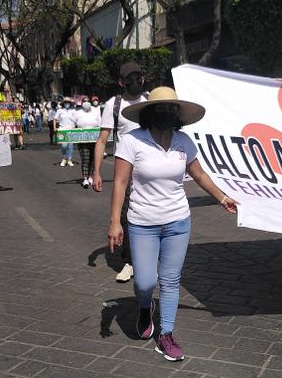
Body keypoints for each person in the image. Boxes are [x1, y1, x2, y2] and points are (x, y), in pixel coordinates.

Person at [108, 87, 238, 361]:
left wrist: (222, 197)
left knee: (170, 281)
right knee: (145, 282)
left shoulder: (184, 141)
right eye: (162, 108)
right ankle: (145, 308)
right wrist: (114, 223)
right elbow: (120, 183)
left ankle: (166, 334)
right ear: (150, 112)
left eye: (172, 109)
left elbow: (199, 174)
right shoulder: (132, 141)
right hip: (142, 223)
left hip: (178, 222)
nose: (167, 113)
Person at [93, 61, 150, 283]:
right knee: (127, 214)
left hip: (150, 168)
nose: (134, 82)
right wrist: (96, 172)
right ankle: (130, 261)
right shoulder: (114, 105)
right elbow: (102, 140)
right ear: (121, 82)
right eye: (129, 79)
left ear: (143, 79)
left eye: (138, 77)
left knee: (151, 212)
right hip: (125, 169)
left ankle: (148, 257)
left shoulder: (150, 101)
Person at [74, 99, 101, 188]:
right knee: (85, 159)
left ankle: (90, 176)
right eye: (84, 101)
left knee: (93, 159)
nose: (86, 102)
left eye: (87, 101)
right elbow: (72, 125)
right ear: (82, 103)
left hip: (94, 139)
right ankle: (85, 178)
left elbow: (100, 124)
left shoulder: (95, 112)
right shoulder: (77, 113)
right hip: (82, 140)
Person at [54, 97, 76, 167]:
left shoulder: (73, 111)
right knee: (64, 145)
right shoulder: (60, 111)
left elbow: (77, 119)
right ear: (63, 103)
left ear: (70, 103)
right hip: (62, 129)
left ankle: (69, 160)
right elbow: (55, 119)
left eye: (68, 102)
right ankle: (64, 158)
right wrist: (54, 127)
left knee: (70, 146)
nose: (67, 104)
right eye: (66, 102)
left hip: (71, 129)